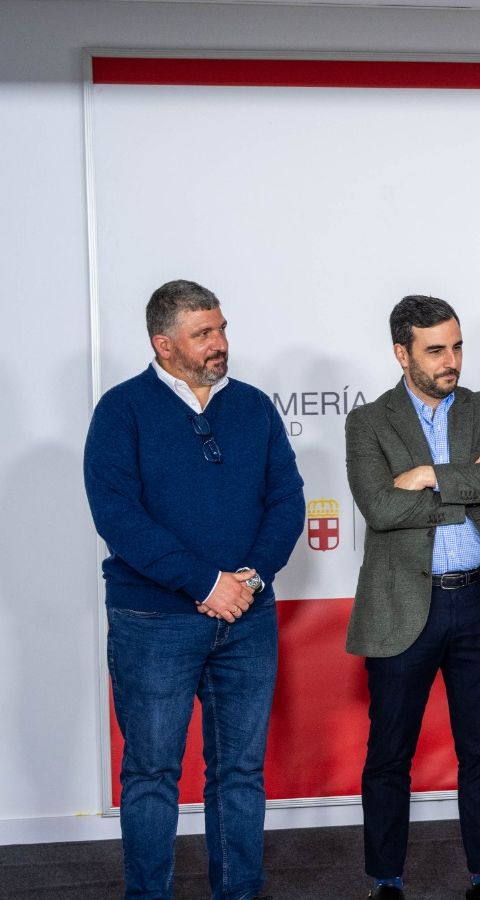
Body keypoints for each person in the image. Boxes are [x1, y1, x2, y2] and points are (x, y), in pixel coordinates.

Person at [84, 279, 305, 900]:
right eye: (203, 333)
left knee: (239, 772)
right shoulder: (121, 410)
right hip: (152, 623)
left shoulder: (254, 406)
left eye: (222, 328)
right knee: (152, 774)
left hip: (248, 618)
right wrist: (206, 582)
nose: (220, 343)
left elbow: (287, 503)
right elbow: (117, 516)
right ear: (164, 343)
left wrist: (251, 578)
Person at [345, 295, 480, 900]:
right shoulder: (369, 422)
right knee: (389, 755)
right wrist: (465, 482)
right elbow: (380, 508)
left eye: (456, 346)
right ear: (402, 354)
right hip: (403, 606)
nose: (451, 360)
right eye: (435, 350)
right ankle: (387, 881)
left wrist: (427, 475)